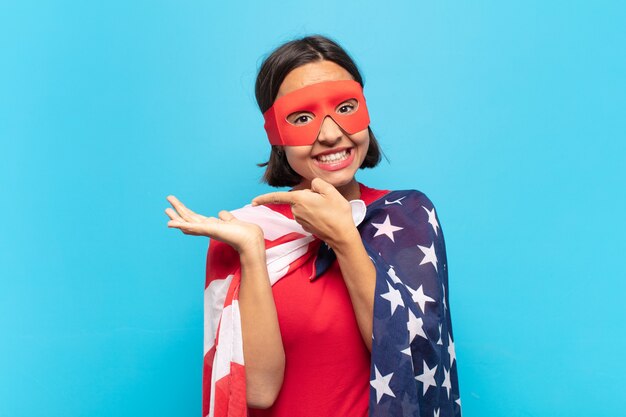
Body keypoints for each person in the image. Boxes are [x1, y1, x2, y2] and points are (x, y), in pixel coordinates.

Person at [165, 35, 461, 417]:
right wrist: (253, 253)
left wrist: (343, 237)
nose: (330, 133)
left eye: (344, 108)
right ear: (275, 135)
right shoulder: (246, 232)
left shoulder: (407, 216)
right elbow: (257, 392)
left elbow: (414, 356)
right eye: (303, 118)